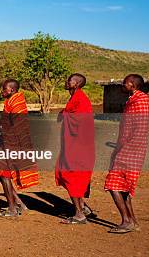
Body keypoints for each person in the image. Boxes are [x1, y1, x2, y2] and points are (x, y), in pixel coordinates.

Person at [104, 74, 149, 233]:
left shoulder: (141, 100)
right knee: (122, 185)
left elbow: (140, 128)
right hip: (126, 147)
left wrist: (123, 149)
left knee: (113, 184)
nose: (122, 86)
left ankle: (126, 221)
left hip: (132, 148)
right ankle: (133, 221)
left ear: (132, 85)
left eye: (124, 83)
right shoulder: (133, 100)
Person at [0, 79, 39, 217]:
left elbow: (16, 125)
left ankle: (12, 208)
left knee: (4, 174)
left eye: (4, 89)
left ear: (12, 90)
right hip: (6, 143)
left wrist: (0, 131)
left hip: (12, 144)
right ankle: (19, 203)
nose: (2, 91)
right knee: (1, 173)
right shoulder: (10, 101)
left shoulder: (17, 103)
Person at [55, 73, 95, 224]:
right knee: (66, 173)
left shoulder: (80, 99)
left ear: (76, 84)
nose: (66, 82)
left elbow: (80, 121)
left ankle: (79, 214)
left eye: (69, 80)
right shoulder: (74, 98)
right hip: (73, 145)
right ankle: (82, 207)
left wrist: (64, 114)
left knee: (71, 176)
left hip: (79, 146)